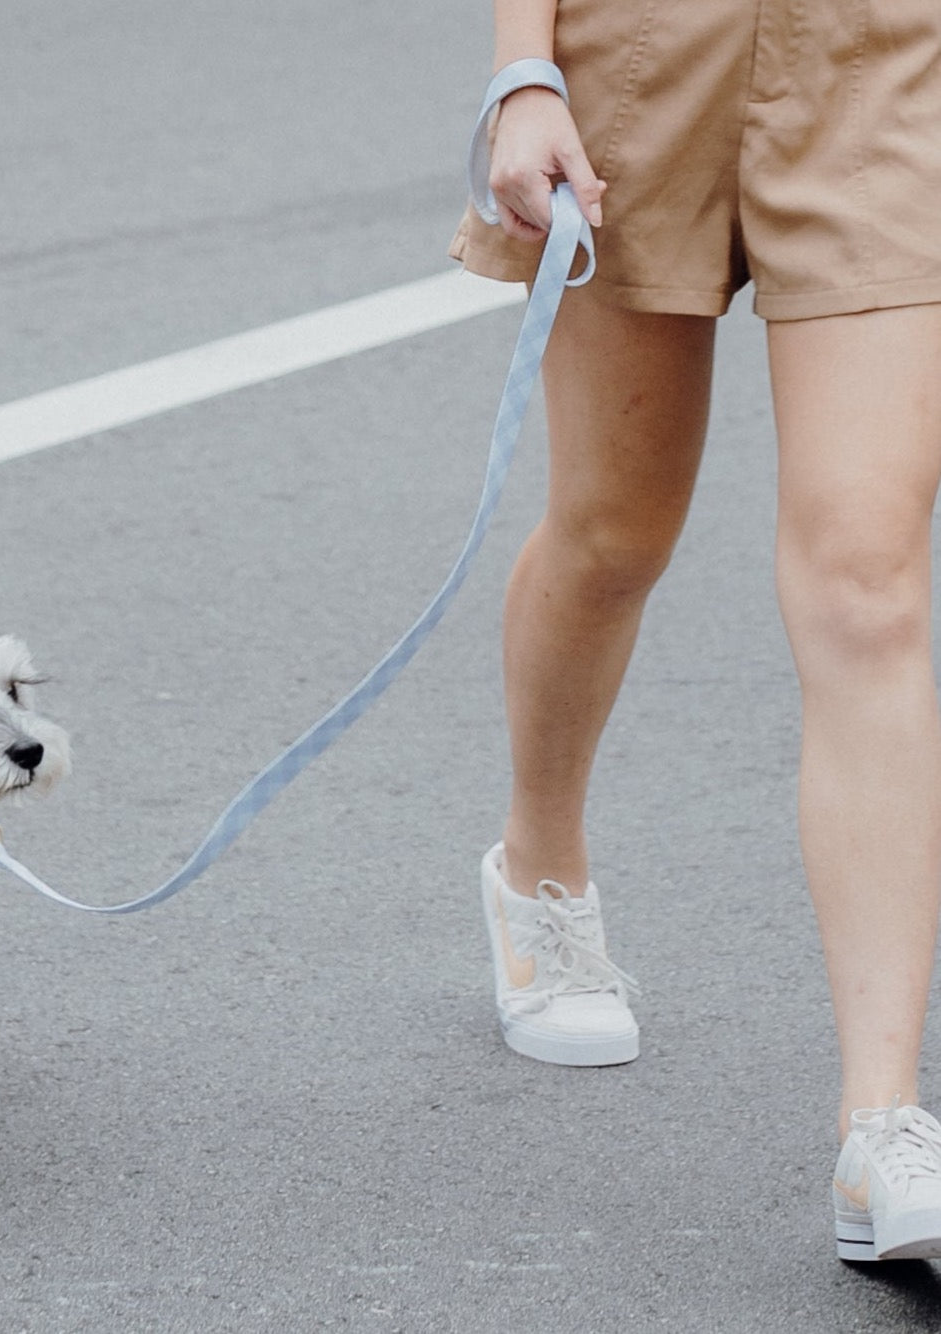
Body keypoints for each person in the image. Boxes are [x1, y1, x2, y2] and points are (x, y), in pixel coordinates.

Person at [452, 0, 941, 1261]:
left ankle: (879, 1120)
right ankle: (538, 868)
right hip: (638, 51)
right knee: (613, 531)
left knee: (865, 581)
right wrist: (522, 69)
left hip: (886, 62)